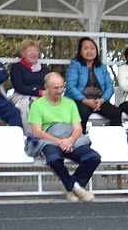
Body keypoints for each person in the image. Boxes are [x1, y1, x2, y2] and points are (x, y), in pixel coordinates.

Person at [26, 72, 102, 202]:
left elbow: (78, 128)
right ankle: (76, 188)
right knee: (54, 159)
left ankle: (69, 187)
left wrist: (70, 140)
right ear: (46, 87)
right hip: (49, 140)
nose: (60, 90)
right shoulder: (37, 105)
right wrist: (60, 142)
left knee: (93, 157)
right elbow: (37, 132)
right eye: (56, 88)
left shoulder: (70, 103)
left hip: (70, 138)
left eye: (62, 87)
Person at [65, 36, 120, 135]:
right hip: (80, 100)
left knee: (116, 113)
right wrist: (85, 101)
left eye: (92, 48)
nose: (89, 51)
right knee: (82, 113)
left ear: (96, 51)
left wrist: (102, 100)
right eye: (85, 48)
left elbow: (109, 87)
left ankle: (113, 141)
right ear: (80, 51)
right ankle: (80, 141)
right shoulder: (75, 65)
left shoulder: (102, 67)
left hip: (98, 101)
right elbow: (71, 87)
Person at [8, 39, 49, 126]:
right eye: (29, 50)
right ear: (23, 53)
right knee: (32, 105)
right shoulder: (17, 67)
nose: (33, 53)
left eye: (36, 50)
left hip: (43, 97)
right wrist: (40, 92)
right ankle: (32, 135)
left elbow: (50, 86)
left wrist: (42, 94)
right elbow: (19, 87)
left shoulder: (45, 70)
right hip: (22, 96)